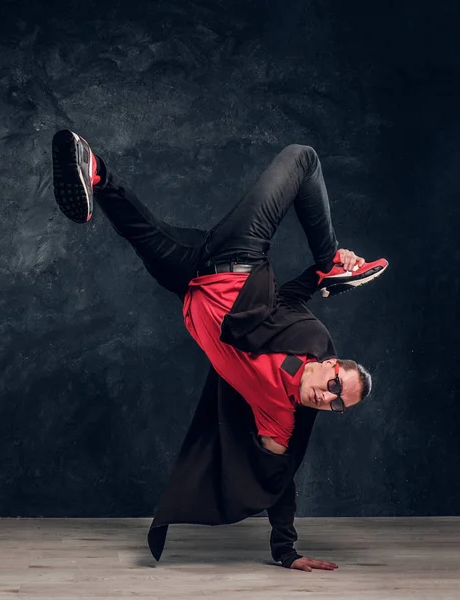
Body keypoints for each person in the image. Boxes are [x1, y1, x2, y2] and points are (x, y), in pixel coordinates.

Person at [51, 129, 388, 571]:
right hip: (239, 256)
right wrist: (320, 275)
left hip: (190, 281)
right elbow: (286, 300)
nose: (326, 398)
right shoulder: (312, 341)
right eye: (333, 385)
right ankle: (329, 260)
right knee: (301, 158)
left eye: (335, 404)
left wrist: (286, 551)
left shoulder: (280, 418)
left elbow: (279, 481)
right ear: (330, 364)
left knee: (136, 227)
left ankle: (89, 166)